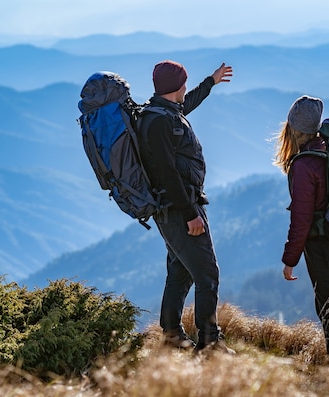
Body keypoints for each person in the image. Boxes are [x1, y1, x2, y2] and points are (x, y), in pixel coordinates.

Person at [138, 60, 235, 354]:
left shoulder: (160, 112)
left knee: (180, 271)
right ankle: (209, 344)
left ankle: (170, 335)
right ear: (173, 87)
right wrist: (191, 213)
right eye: (182, 83)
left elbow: (186, 103)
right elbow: (167, 174)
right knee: (208, 275)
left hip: (174, 208)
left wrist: (211, 82)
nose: (184, 87)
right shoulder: (159, 122)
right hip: (180, 209)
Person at [274, 95, 329, 367]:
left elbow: (302, 218)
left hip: (322, 243)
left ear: (293, 128)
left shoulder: (304, 164)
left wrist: (290, 258)